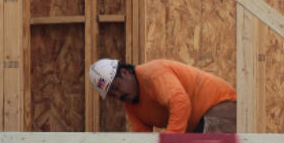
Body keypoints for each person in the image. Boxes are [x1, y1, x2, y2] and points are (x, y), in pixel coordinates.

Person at [87, 58, 237, 135]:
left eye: (116, 87)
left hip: (221, 105)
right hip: (199, 123)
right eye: (113, 95)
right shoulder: (131, 106)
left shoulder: (152, 74)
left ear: (125, 72)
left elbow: (180, 103)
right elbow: (142, 137)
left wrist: (170, 138)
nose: (119, 95)